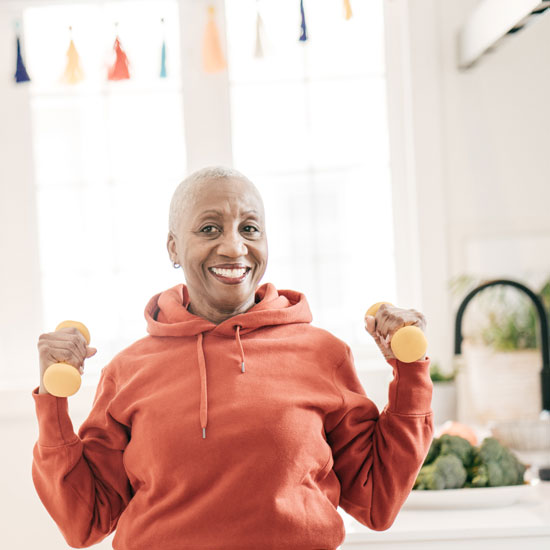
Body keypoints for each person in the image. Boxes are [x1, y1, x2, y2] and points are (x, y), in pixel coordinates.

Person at [32, 165, 433, 550]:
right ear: (174, 246)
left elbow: (378, 500)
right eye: (209, 228)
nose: (233, 247)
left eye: (249, 229)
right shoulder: (129, 369)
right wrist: (53, 403)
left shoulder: (322, 354)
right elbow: (84, 522)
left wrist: (411, 372)